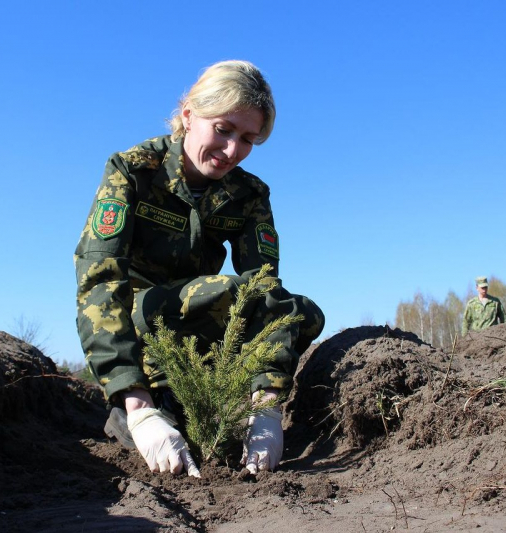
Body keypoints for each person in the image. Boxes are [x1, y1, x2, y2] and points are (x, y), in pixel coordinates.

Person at [74, 60, 325, 478]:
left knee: (298, 311)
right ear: (188, 115)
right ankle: (139, 407)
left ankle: (211, 408)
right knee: (214, 295)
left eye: (248, 139)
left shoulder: (248, 194)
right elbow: (100, 280)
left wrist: (265, 404)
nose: (232, 151)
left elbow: (262, 292)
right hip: (139, 323)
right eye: (223, 130)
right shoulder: (133, 171)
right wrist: (136, 404)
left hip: (200, 329)